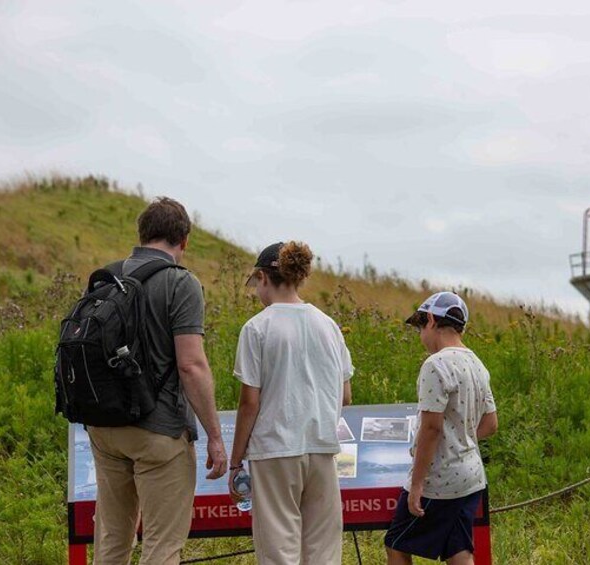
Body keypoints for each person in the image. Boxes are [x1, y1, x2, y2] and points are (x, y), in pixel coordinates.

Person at [87, 197, 228, 565]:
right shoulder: (181, 283)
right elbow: (191, 366)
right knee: (162, 547)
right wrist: (214, 436)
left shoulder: (106, 277)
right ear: (184, 240)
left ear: (142, 234)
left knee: (111, 541)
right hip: (159, 431)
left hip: (104, 428)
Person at [228, 241, 354, 565]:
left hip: (274, 450)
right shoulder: (328, 325)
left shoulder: (257, 328)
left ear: (263, 277)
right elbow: (346, 395)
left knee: (279, 550)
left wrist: (235, 462)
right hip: (323, 448)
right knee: (324, 551)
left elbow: (249, 403)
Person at [384, 292, 498, 565]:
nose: (420, 335)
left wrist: (417, 485)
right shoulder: (476, 364)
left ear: (432, 320)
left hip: (439, 482)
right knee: (457, 549)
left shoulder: (435, 365)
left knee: (396, 544)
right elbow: (491, 423)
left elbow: (431, 428)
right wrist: (461, 439)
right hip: (471, 478)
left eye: (420, 327)